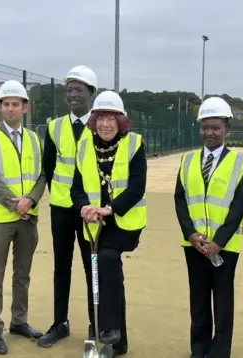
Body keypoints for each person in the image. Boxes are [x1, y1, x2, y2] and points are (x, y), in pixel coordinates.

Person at [174, 97, 243, 358]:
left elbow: (239, 205)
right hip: (193, 244)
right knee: (198, 299)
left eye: (216, 127)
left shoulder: (241, 163)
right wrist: (190, 233)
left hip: (224, 247)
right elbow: (179, 199)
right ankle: (199, 349)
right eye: (205, 127)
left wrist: (219, 241)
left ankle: (219, 352)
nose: (210, 133)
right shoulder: (186, 160)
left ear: (227, 129)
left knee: (222, 300)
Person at [71, 90, 147, 356]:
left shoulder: (135, 143)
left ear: (121, 121)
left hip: (124, 221)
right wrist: (84, 207)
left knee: (106, 260)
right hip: (94, 223)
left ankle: (108, 328)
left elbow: (137, 186)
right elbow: (76, 187)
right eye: (100, 118)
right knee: (107, 275)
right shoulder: (84, 144)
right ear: (94, 121)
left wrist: (110, 209)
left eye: (111, 118)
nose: (105, 124)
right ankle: (118, 341)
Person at [0, 80, 46, 355]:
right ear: (0, 107)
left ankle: (19, 322)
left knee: (23, 274)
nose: (10, 108)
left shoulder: (34, 139)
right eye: (6, 104)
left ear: (25, 107)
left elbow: (42, 175)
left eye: (16, 104)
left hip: (28, 216)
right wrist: (13, 203)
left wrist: (31, 200)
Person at [38, 65, 99, 348]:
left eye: (79, 90)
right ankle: (59, 322)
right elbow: (49, 167)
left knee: (92, 267)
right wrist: (61, 196)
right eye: (69, 90)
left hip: (91, 211)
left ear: (91, 93)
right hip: (61, 208)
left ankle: (95, 323)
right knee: (61, 266)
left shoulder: (102, 125)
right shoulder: (54, 126)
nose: (73, 95)